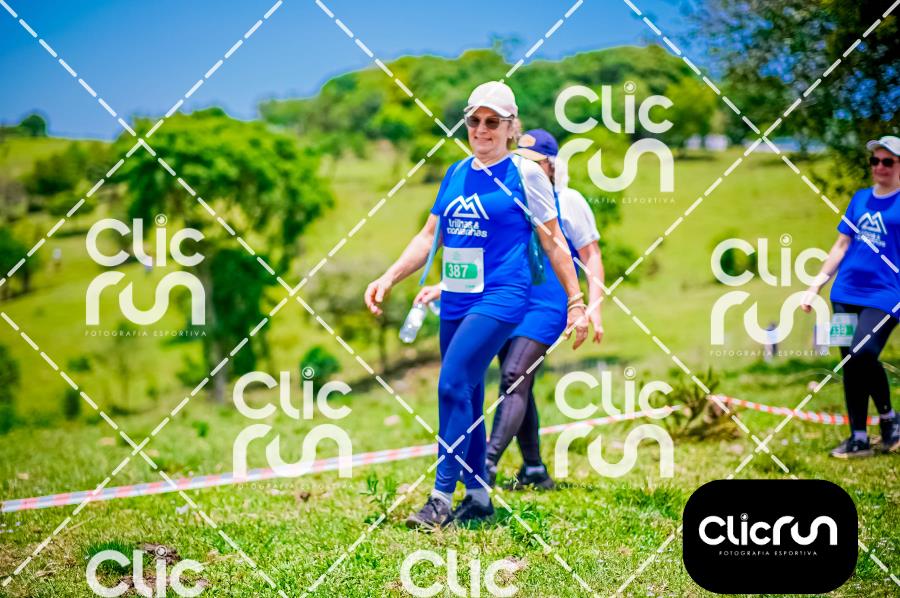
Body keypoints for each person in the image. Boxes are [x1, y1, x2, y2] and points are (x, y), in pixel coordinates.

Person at [364, 82, 590, 529]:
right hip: (457, 295)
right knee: (466, 391)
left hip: (502, 295)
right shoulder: (456, 172)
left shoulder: (525, 174)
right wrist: (389, 277)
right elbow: (429, 237)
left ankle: (439, 499)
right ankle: (479, 497)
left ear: (510, 127)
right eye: (474, 121)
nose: (482, 129)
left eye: (493, 121)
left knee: (451, 384)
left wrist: (576, 302)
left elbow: (553, 242)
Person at [415, 129, 605, 489]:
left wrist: (590, 305)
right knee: (518, 381)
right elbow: (486, 252)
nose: (527, 166)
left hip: (547, 304)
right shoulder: (506, 191)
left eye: (537, 162)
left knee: (514, 375)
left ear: (552, 166)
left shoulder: (568, 201)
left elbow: (591, 255)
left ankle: (487, 462)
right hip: (507, 298)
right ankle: (534, 467)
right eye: (523, 158)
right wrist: (445, 285)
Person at [802, 135, 900, 458]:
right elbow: (841, 245)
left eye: (888, 161)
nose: (880, 167)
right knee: (850, 362)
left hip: (885, 295)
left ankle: (889, 419)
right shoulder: (859, 199)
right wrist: (815, 286)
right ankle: (858, 437)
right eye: (875, 160)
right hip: (844, 292)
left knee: (862, 352)